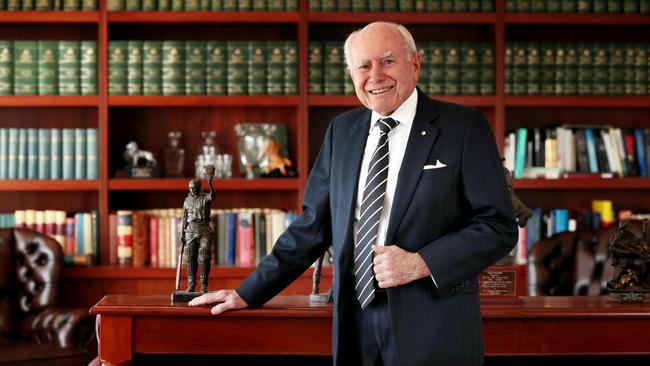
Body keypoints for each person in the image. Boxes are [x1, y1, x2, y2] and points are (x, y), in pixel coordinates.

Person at [190, 22, 517, 366]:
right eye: (363, 66)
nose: (375, 75)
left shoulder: (463, 127)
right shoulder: (342, 131)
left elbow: (498, 226)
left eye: (388, 61)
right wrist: (248, 291)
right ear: (351, 74)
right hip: (353, 321)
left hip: (432, 323)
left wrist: (422, 263)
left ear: (415, 63)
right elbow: (313, 226)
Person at [182, 177, 215, 293]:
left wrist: (210, 184)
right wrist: (183, 233)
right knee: (190, 256)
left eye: (195, 188)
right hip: (190, 229)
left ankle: (203, 284)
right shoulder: (186, 200)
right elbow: (184, 218)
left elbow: (213, 196)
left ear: (199, 188)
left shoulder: (205, 197)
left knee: (204, 254)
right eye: (191, 188)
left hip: (204, 228)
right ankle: (191, 283)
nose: (193, 190)